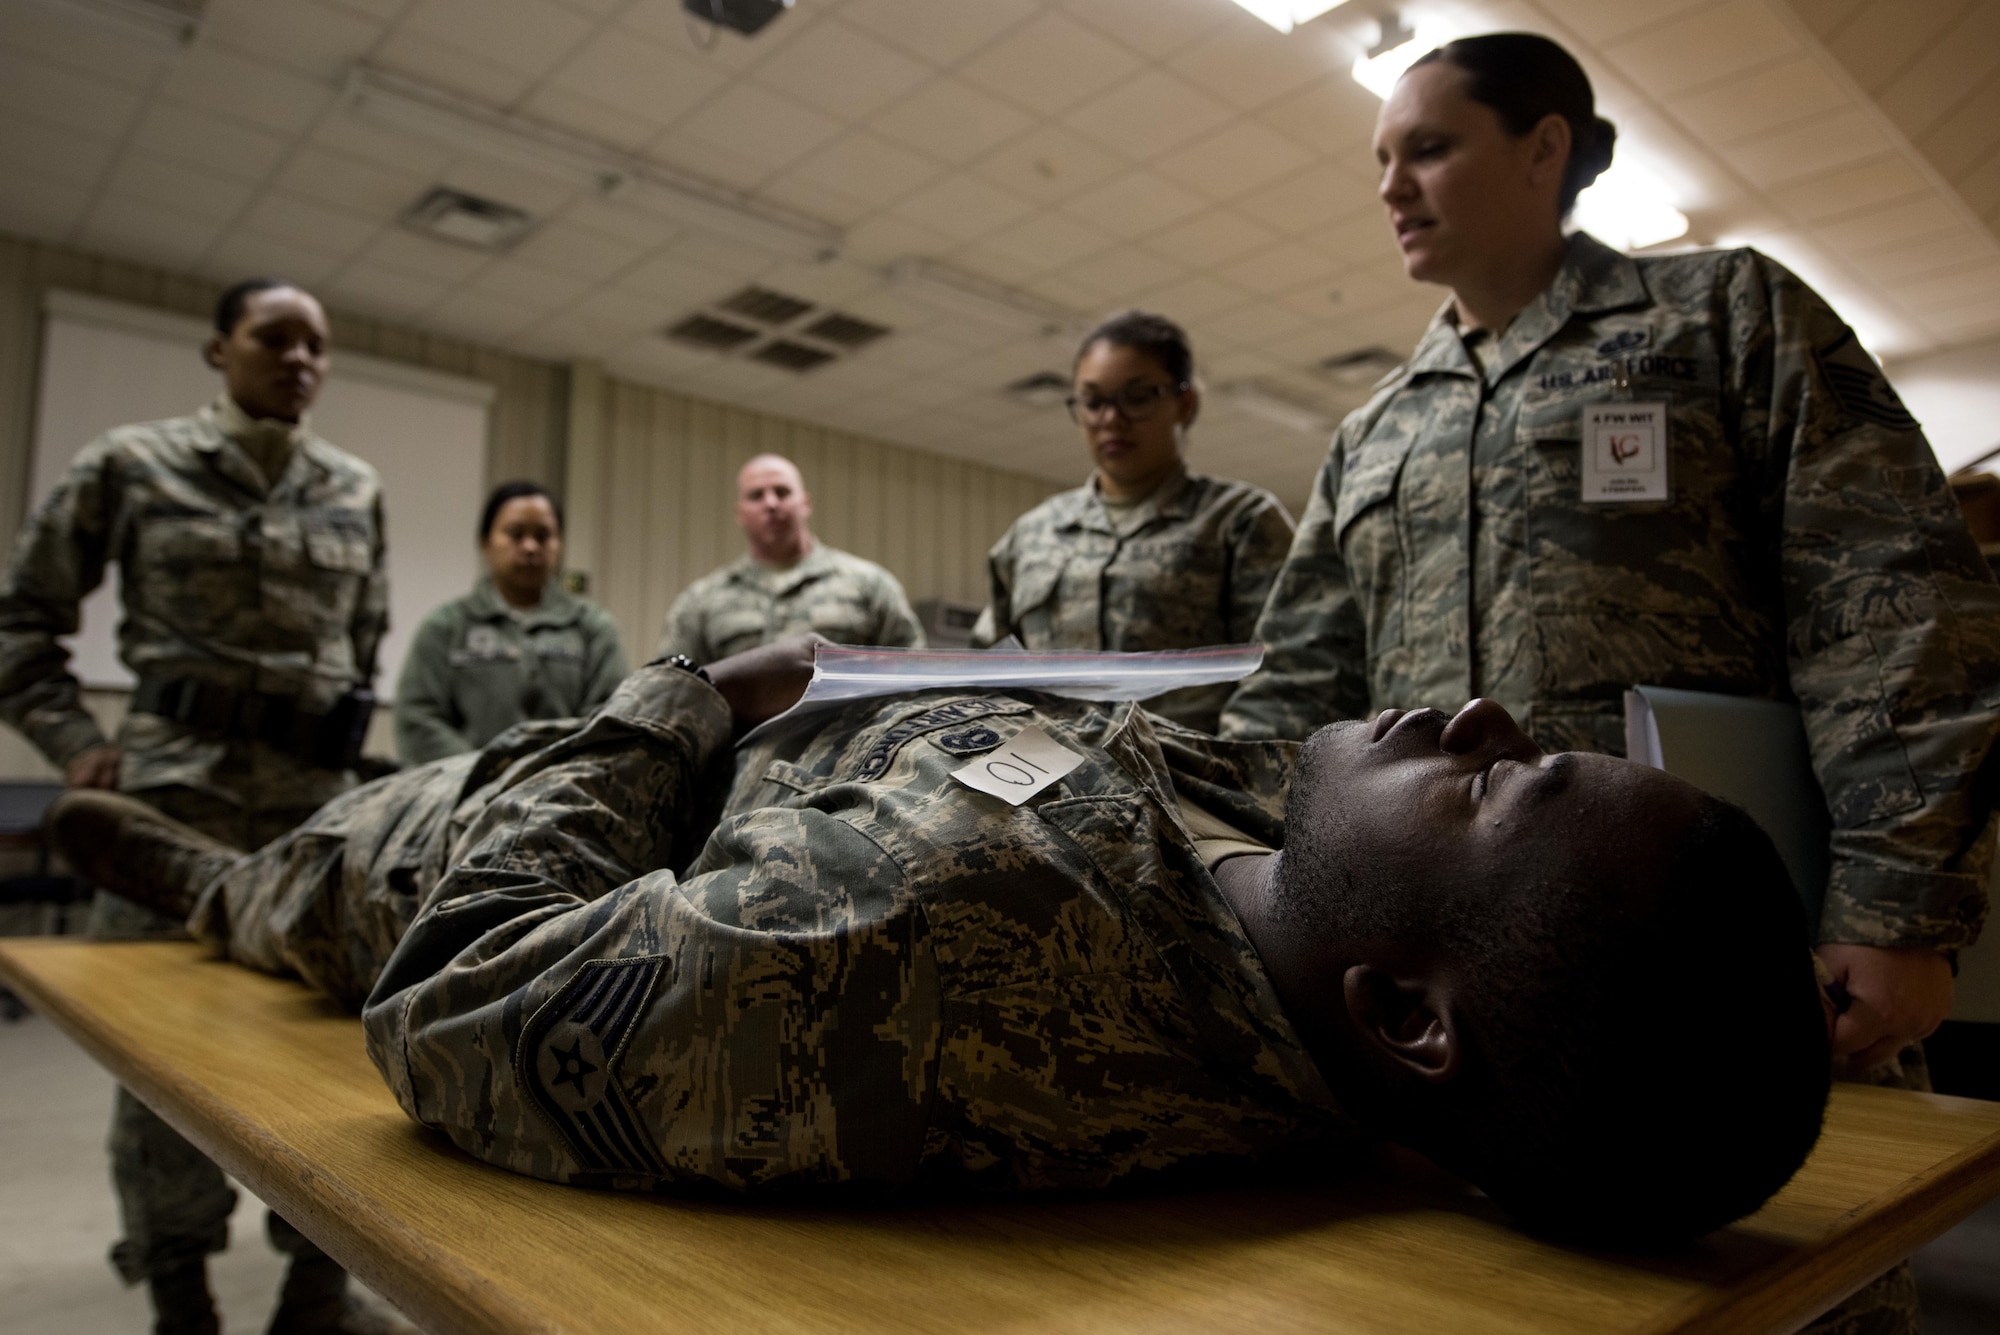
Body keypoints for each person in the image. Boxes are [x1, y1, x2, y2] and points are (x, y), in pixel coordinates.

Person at [55, 641, 1831, 1251]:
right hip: (796, 760)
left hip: (480, 833)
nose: (1481, 712)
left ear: (1404, 1016)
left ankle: (194, 875)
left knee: (283, 884)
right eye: (1539, 736)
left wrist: (666, 709)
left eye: (1501, 787)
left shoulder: (912, 957)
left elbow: (458, 994)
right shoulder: (1303, 917)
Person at [1215, 34, 2000, 1333]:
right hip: (1465, 1002)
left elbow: (1898, 599)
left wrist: (1903, 901)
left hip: (1736, 954)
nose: (1392, 184)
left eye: (1429, 146)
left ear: (1545, 148)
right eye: (1382, 159)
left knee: (1793, 1293)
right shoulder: (1380, 430)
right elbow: (1299, 686)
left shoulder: (1722, 320)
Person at [0, 277, 405, 1335]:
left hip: (310, 827)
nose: (301, 360)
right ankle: (179, 1294)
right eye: (276, 338)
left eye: (318, 344)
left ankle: (314, 1286)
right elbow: (19, 630)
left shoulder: (355, 487)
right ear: (217, 350)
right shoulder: (132, 464)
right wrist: (78, 746)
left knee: (323, 1058)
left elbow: (363, 648)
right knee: (162, 1062)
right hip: (163, 816)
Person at [971, 312, 1296, 733]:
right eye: (1093, 402)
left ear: (1185, 403)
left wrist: (1227, 782)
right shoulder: (1030, 537)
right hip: (1040, 785)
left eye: (1137, 397)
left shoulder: (1239, 522)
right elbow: (987, 675)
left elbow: (1287, 674)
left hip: (1186, 782)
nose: (1111, 419)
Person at [394, 481, 627, 765]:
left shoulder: (593, 627)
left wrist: (550, 776)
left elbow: (611, 715)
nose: (530, 547)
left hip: (566, 794)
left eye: (543, 536)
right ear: (485, 542)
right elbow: (417, 718)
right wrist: (484, 772)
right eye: (515, 534)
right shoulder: (445, 627)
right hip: (465, 795)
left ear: (559, 544)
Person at [654, 453, 924, 663]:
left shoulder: (868, 584)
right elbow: (672, 687)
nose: (771, 503)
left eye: (782, 492)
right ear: (740, 513)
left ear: (805, 504)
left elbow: (913, 672)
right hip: (742, 736)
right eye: (756, 495)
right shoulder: (701, 602)